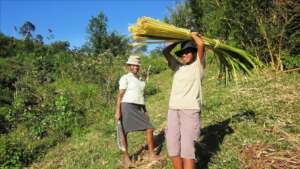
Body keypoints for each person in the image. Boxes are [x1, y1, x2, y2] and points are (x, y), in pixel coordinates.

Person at [163, 32, 205, 169]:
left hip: (190, 110)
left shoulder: (198, 66)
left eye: (188, 52)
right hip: (173, 109)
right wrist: (177, 39)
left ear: (193, 52)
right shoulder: (177, 66)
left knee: (187, 148)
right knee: (172, 144)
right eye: (182, 53)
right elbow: (165, 51)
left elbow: (200, 44)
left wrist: (191, 35)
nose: (184, 55)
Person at [115, 55, 161, 168]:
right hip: (126, 106)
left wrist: (145, 110)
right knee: (124, 131)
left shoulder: (141, 81)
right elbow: (120, 95)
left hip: (137, 107)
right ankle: (126, 158)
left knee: (149, 128)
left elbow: (141, 98)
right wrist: (117, 111)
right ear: (129, 66)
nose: (135, 67)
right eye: (133, 65)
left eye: (137, 65)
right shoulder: (125, 78)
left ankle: (151, 154)